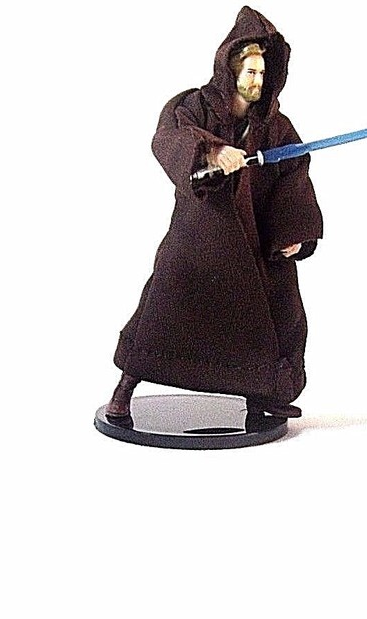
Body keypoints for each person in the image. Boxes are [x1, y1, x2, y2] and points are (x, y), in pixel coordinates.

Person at [107, 6, 323, 419]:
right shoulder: (194, 107)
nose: (257, 80)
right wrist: (212, 150)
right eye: (250, 72)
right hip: (200, 233)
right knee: (162, 308)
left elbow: (293, 173)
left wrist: (293, 232)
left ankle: (264, 395)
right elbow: (169, 138)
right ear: (231, 70)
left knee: (278, 313)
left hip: (254, 239)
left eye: (263, 73)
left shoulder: (277, 127)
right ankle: (125, 388)